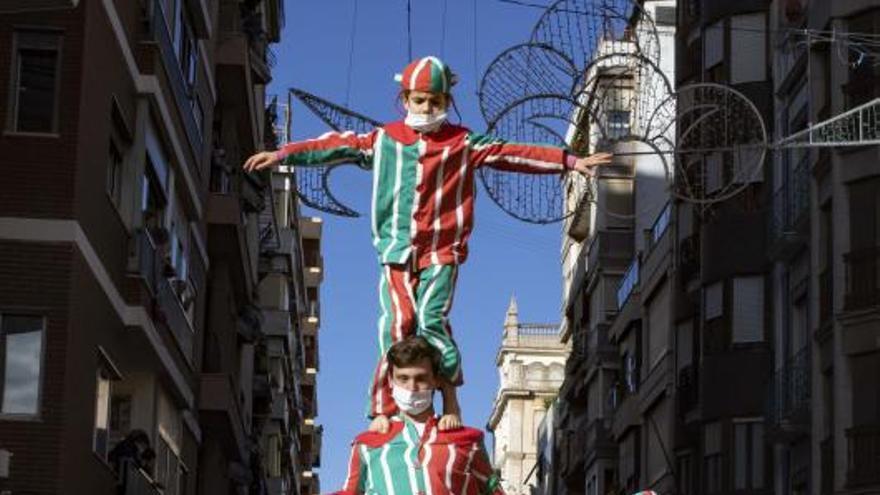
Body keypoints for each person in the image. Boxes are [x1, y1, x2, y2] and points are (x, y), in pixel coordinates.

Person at [243, 56, 612, 433]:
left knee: (432, 320)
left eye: (435, 102)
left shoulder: (462, 142)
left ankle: (450, 397)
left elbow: (511, 153)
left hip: (442, 250)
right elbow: (334, 145)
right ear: (405, 101)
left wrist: (568, 161)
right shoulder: (384, 139)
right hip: (396, 249)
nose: (427, 108)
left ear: (447, 103)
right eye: (420, 101)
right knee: (396, 324)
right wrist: (283, 154)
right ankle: (382, 408)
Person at [330, 336, 505, 495]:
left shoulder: (467, 441)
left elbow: (493, 490)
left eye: (420, 378)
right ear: (391, 380)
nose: (411, 388)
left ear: (436, 380)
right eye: (403, 378)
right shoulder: (367, 445)